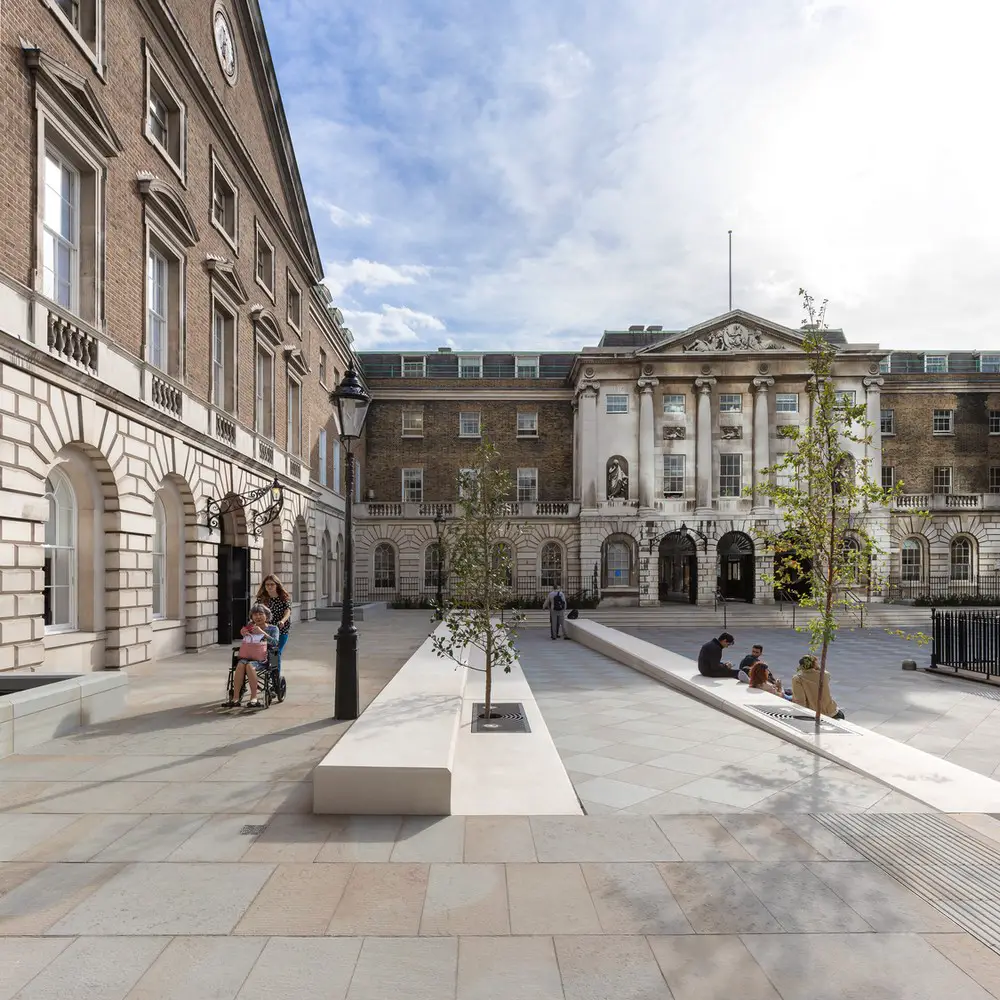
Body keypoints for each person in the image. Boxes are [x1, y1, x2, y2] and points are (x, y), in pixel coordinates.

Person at [231, 603, 279, 708]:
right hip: (248, 656)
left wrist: (263, 633)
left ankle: (254, 697)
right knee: (240, 664)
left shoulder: (273, 629)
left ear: (266, 615)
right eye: (255, 614)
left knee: (248, 665)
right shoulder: (250, 627)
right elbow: (247, 642)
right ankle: (235, 697)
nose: (257, 617)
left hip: (264, 659)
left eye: (260, 614)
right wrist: (243, 633)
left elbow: (275, 643)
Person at [791, 654, 846, 719]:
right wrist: (817, 667)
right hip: (832, 713)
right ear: (815, 665)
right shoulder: (824, 675)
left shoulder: (797, 679)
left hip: (815, 714)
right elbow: (827, 674)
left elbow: (800, 701)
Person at [257, 575, 292, 662]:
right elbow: (256, 612)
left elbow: (288, 611)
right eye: (267, 584)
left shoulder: (283, 598)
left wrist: (282, 621)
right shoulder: (262, 599)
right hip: (266, 629)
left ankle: (276, 674)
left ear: (277, 585)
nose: (269, 586)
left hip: (281, 629)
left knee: (276, 653)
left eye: (272, 584)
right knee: (265, 652)